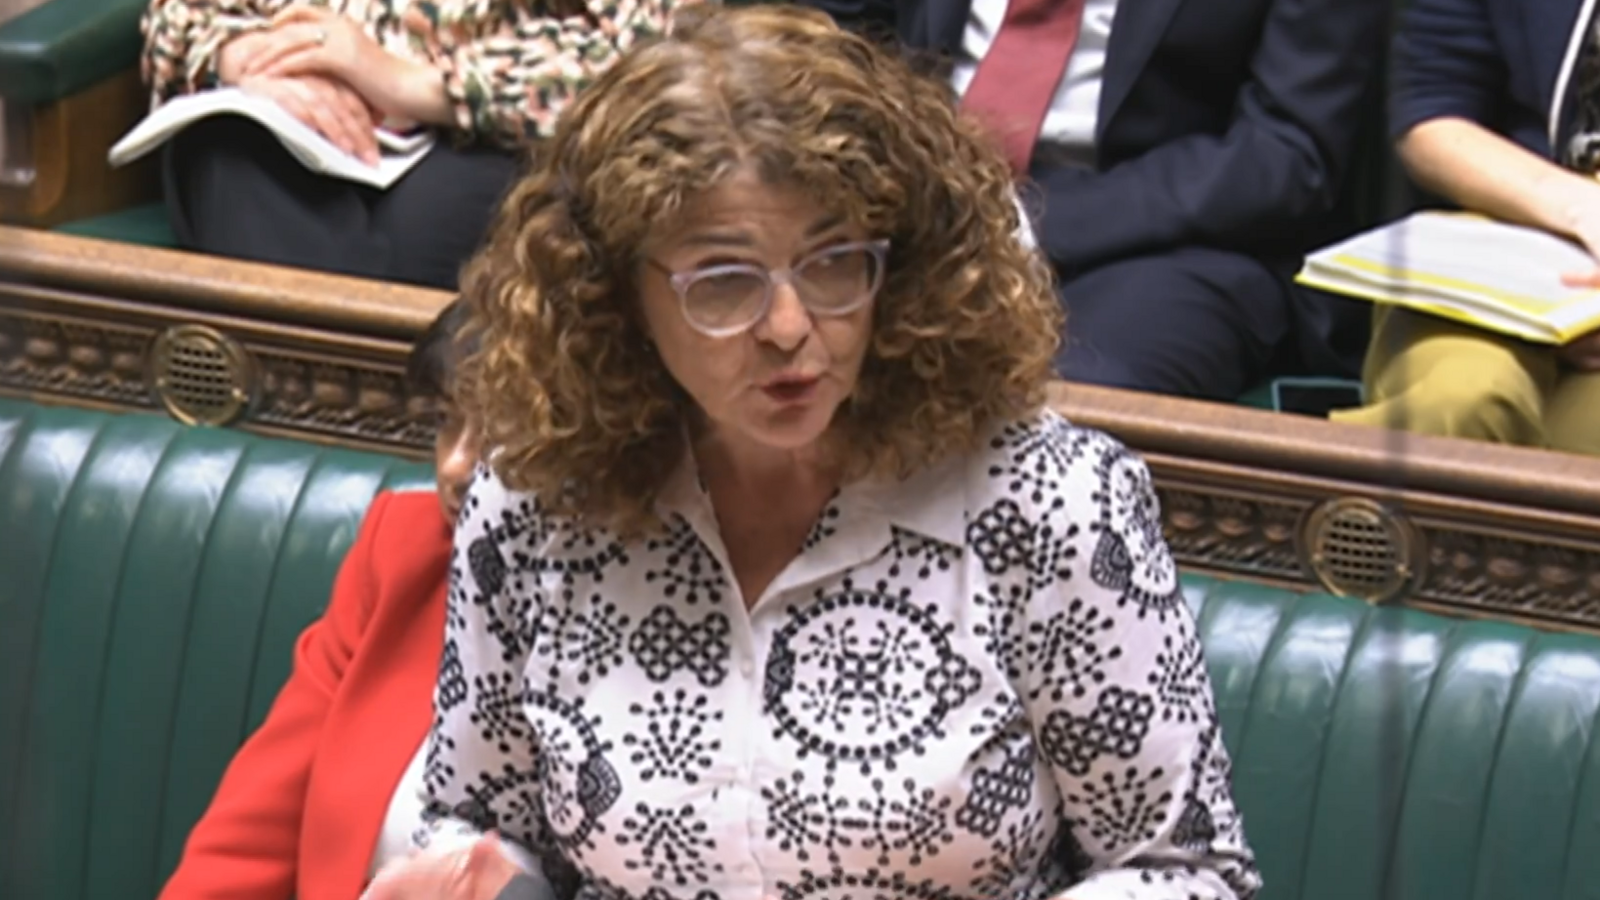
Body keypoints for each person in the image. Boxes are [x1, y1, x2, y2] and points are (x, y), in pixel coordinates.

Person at [369, 7, 1260, 900]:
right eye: (725, 282)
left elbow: (1184, 872)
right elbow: (474, 823)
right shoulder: (536, 503)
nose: (792, 330)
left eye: (836, 264)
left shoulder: (1051, 504)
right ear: (615, 295)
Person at [156, 300, 552, 900]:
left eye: (501, 434)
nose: (455, 465)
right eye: (447, 421)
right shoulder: (405, 552)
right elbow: (253, 834)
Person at [796, 0, 1387, 401]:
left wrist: (1015, 220)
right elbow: (827, 42)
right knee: (750, 336)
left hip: (1165, 243)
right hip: (912, 196)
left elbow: (1287, 154)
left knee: (1045, 418)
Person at [138, 0, 692, 289]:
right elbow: (177, 14)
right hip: (280, 113)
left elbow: (655, 59)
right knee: (222, 154)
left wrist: (411, 83)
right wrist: (249, 53)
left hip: (478, 130)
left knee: (412, 246)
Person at [1327, 0, 1600, 453]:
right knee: (1457, 403)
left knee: (1574, 457)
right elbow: (1432, 111)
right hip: (1518, 218)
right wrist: (1578, 207)